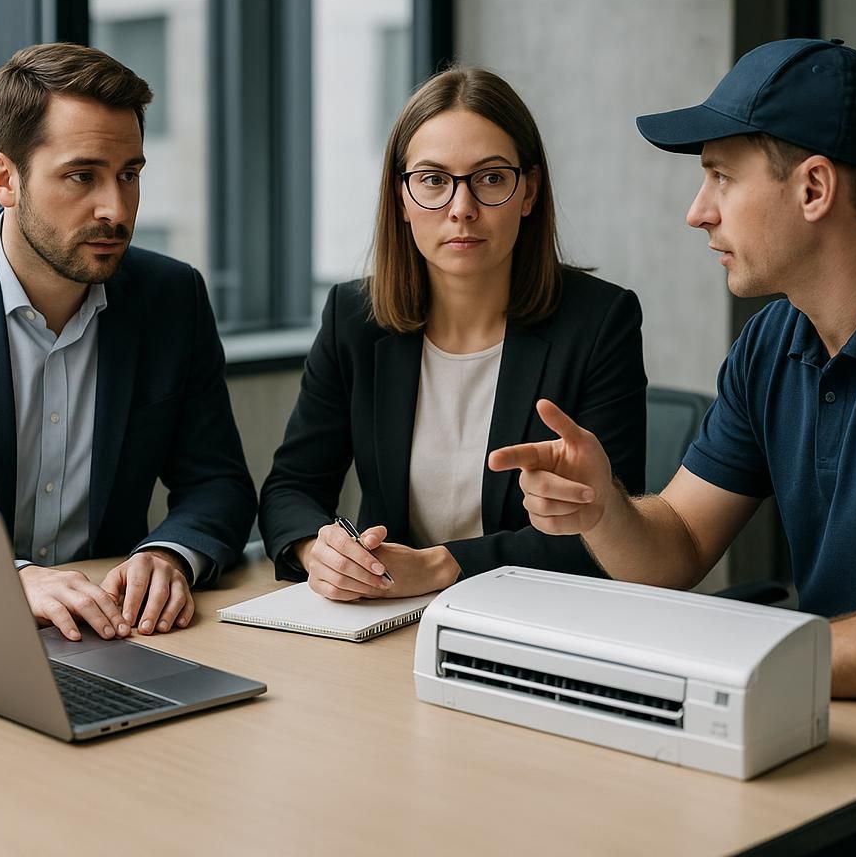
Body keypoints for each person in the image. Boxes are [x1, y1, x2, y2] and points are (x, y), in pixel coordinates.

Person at [490, 37, 856, 697]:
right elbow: (680, 543)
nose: (697, 212)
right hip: (814, 711)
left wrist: (736, 666)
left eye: (721, 176)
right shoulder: (772, 344)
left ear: (814, 188)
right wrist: (603, 507)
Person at [0, 43, 255, 642]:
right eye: (81, 176)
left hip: (109, 632)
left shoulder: (171, 297)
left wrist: (171, 554)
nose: (116, 210)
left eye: (129, 175)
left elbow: (217, 482)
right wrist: (7, 577)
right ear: (5, 179)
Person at [259, 66, 646, 599]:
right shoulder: (353, 317)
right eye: (434, 180)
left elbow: (609, 531)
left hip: (535, 616)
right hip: (385, 615)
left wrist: (444, 566)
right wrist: (317, 550)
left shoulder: (601, 322)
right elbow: (291, 489)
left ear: (528, 191)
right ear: (401, 198)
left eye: (490, 178)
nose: (461, 209)